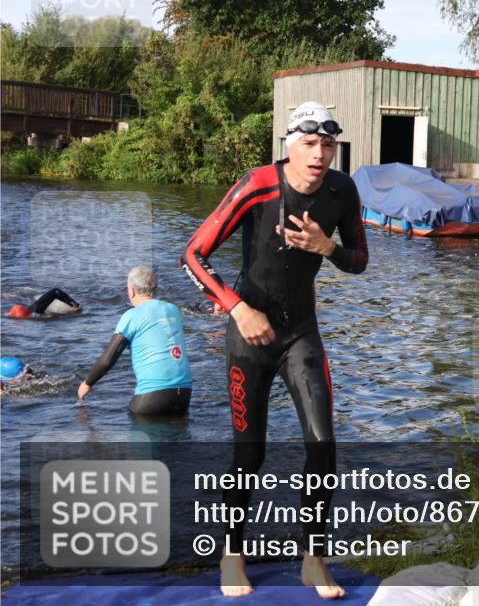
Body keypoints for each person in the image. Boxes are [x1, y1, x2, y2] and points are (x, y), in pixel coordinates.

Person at [181, 101, 368, 598]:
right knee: (250, 453)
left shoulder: (341, 191)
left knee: (323, 445)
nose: (320, 153)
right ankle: (232, 554)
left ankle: (312, 559)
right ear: (289, 145)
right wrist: (238, 309)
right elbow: (193, 255)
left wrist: (328, 248)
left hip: (301, 332)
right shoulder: (258, 184)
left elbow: (360, 261)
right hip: (250, 333)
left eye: (328, 144)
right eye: (309, 143)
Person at [77, 266, 193, 415]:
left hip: (152, 395)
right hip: (184, 393)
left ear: (130, 291)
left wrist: (87, 383)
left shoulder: (131, 316)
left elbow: (108, 359)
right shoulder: (173, 310)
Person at [8, 288, 81, 318]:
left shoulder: (37, 309)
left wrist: (74, 305)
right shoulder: (13, 314)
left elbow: (56, 291)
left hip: (37, 301)